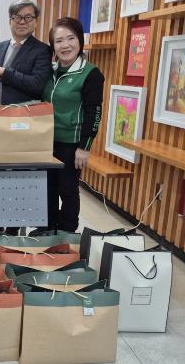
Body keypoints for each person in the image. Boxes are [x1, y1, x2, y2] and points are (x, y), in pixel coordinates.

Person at [0, 0, 53, 236]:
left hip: (21, 124)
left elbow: (37, 85)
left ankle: (13, 228)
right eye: (17, 17)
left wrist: (6, 73)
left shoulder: (42, 50)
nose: (22, 22)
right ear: (10, 20)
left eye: (28, 17)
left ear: (35, 21)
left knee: (17, 177)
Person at [43, 17, 105, 232]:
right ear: (53, 46)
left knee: (67, 189)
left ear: (80, 41)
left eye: (71, 38)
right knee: (47, 188)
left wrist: (84, 147)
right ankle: (48, 227)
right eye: (59, 41)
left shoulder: (91, 73)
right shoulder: (49, 71)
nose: (65, 45)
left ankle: (67, 232)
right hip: (45, 142)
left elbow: (94, 113)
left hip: (71, 144)